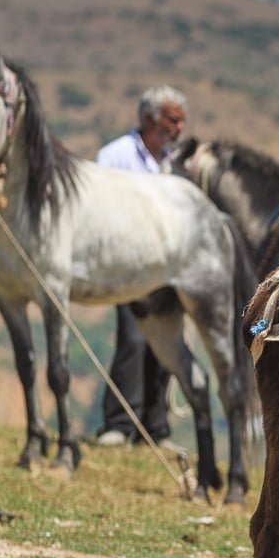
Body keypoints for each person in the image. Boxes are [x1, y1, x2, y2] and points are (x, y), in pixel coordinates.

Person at [94, 86, 188, 447]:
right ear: (151, 119)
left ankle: (154, 430)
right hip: (128, 265)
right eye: (172, 120)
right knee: (133, 340)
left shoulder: (176, 163)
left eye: (181, 122)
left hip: (166, 268)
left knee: (163, 344)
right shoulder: (115, 156)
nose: (179, 129)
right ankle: (118, 424)